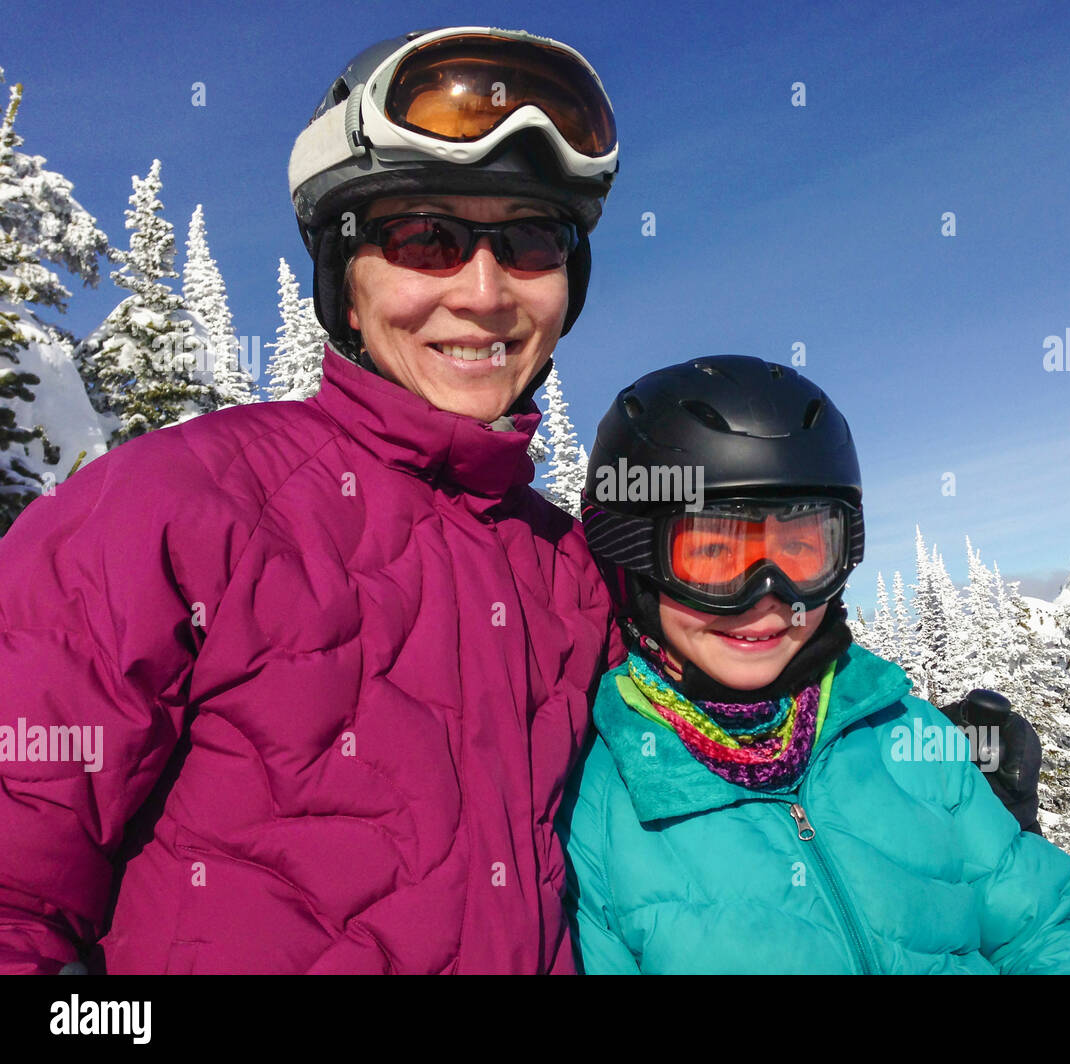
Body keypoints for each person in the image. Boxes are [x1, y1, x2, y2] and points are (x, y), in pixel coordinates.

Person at [0, 26, 621, 974]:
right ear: (345, 278)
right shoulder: (177, 506)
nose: (486, 292)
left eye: (532, 240)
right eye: (427, 238)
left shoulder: (573, 574)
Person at [558, 355, 1070, 974]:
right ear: (634, 563)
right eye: (712, 553)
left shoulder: (907, 733)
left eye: (802, 550)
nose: (767, 598)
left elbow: (1046, 930)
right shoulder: (596, 810)